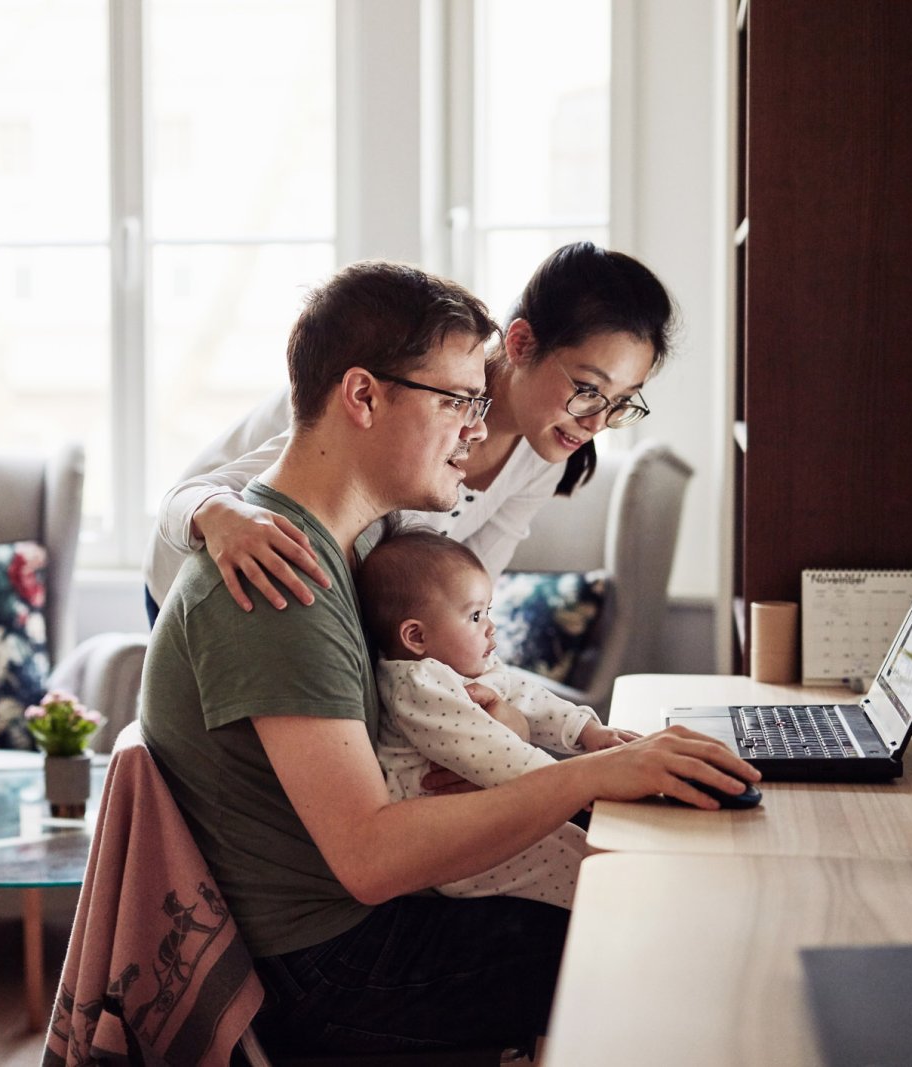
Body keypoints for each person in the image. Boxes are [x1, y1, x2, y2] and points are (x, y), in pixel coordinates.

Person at [138, 259, 758, 1056]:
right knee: (651, 949)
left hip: (341, 928)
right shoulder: (278, 568)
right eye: (460, 401)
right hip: (327, 968)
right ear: (364, 397)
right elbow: (369, 855)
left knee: (637, 905)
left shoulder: (358, 555)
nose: (476, 429)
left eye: (478, 401)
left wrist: (561, 739)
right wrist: (586, 775)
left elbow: (464, 640)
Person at [143, 240, 676, 625]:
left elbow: (466, 589)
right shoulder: (403, 397)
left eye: (621, 403)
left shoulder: (543, 452)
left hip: (307, 591)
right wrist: (221, 516)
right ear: (520, 343)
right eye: (587, 388)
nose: (595, 422)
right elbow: (185, 498)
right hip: (194, 566)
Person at [357, 526, 640, 911]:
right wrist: (581, 785)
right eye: (475, 615)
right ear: (416, 637)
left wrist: (588, 733)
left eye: (487, 611)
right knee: (586, 871)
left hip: (494, 810)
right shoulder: (418, 685)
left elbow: (528, 698)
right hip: (454, 846)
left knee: (597, 851)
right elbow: (492, 753)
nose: (491, 626)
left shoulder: (468, 668)